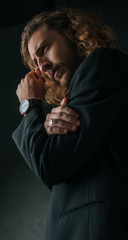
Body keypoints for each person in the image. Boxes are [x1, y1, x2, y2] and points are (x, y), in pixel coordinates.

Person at [12, 8, 128, 240]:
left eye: (44, 49)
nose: (41, 66)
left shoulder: (100, 63)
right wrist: (45, 129)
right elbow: (66, 174)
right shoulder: (83, 93)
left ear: (70, 32)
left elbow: (50, 166)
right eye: (35, 62)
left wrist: (29, 105)